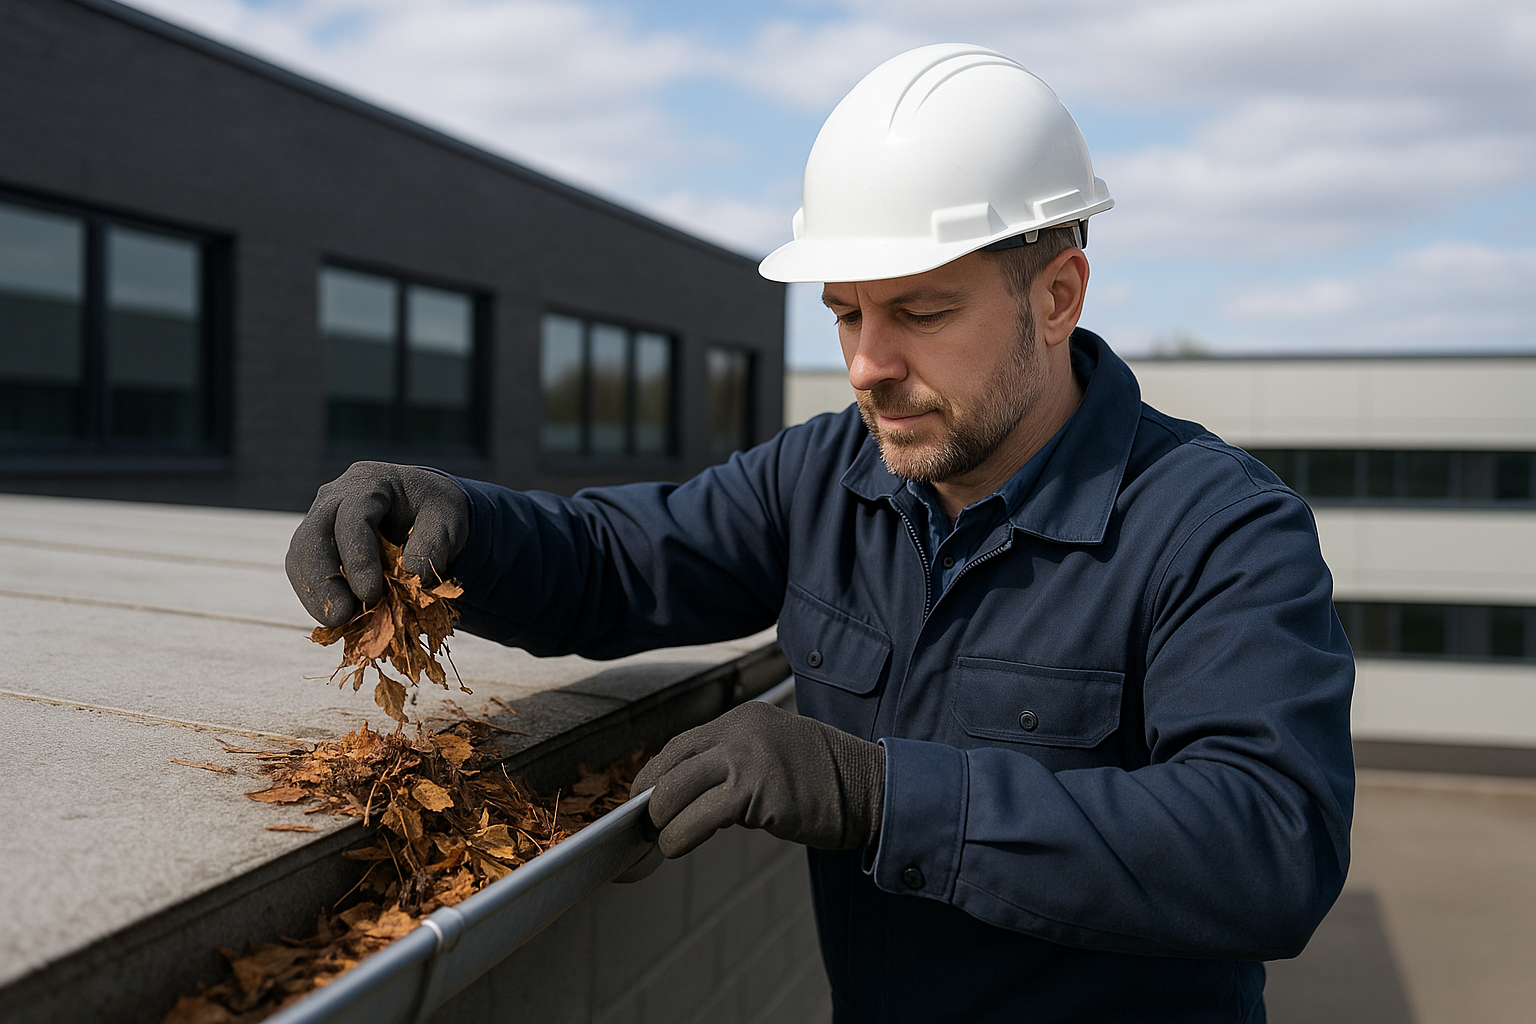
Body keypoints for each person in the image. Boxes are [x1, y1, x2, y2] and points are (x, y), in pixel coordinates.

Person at [286, 43, 1353, 1023]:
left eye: (921, 313)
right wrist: (459, 521)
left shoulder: (1218, 528)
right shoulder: (826, 475)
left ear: (1058, 295)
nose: (866, 366)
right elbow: (616, 561)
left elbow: (1268, 846)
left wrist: (882, 795)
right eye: (847, 312)